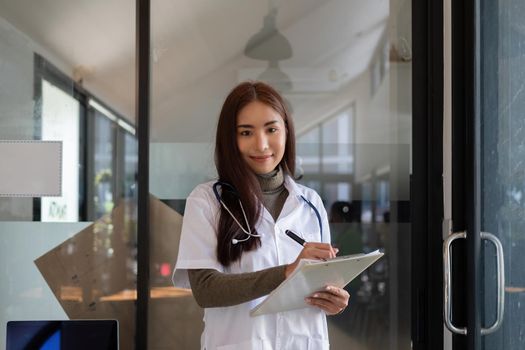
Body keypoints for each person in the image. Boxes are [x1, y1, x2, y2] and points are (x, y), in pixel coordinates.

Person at [172, 81, 349, 349]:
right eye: (246, 132)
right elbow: (206, 289)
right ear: (230, 139)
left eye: (271, 129)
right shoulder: (207, 200)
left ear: (286, 132)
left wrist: (334, 300)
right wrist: (287, 272)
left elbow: (317, 282)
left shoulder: (310, 203)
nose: (262, 144)